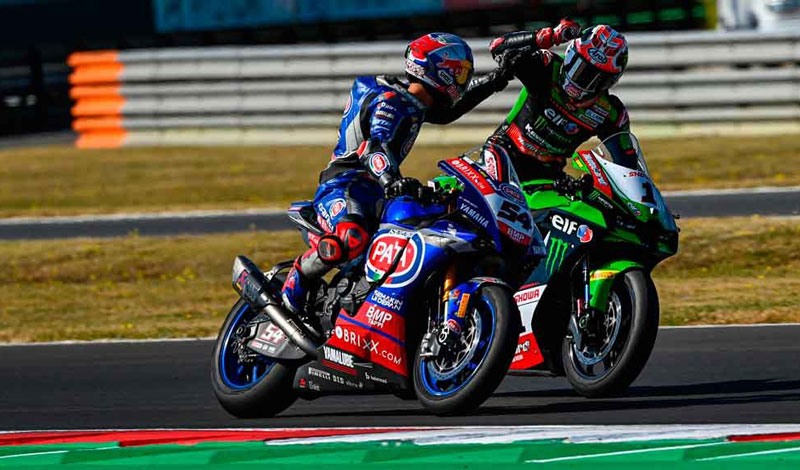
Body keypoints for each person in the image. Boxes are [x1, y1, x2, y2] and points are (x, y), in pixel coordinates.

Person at [281, 32, 512, 317]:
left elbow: (449, 113)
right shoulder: (391, 100)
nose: (463, 81)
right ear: (438, 70)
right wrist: (391, 180)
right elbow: (373, 147)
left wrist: (497, 80)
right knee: (351, 237)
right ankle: (294, 286)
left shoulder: (415, 104)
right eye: (460, 73)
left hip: (380, 191)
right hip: (346, 184)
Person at [480, 22, 632, 186]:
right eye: (580, 69)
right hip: (503, 154)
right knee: (500, 197)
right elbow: (497, 46)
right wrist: (551, 36)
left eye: (598, 78)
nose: (584, 80)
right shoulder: (546, 66)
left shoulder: (611, 112)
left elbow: (627, 167)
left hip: (548, 177)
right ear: (570, 56)